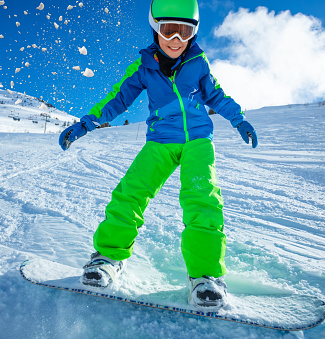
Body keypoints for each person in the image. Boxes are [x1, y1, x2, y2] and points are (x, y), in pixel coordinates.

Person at [59, 0, 258, 309]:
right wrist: (88, 122)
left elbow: (217, 95)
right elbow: (118, 97)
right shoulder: (144, 66)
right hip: (160, 140)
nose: (176, 40)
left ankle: (205, 278)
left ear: (193, 33)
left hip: (197, 140)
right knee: (131, 193)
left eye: (184, 32)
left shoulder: (199, 64)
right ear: (155, 28)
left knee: (202, 198)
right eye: (169, 31)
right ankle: (108, 258)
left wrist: (238, 118)